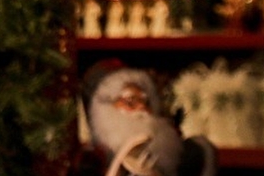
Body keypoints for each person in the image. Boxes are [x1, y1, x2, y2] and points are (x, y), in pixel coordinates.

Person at [78, 59, 218, 176]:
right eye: (130, 101)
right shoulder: (90, 162)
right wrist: (119, 163)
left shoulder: (189, 155)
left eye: (145, 102)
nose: (141, 108)